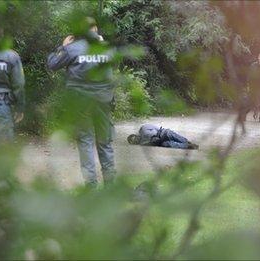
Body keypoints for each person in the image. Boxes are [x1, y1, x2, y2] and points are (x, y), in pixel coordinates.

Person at [46, 21, 116, 188]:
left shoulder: (72, 49)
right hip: (102, 101)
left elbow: (52, 64)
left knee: (85, 141)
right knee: (105, 142)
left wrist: (62, 47)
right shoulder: (106, 48)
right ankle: (111, 186)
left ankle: (91, 186)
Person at [127, 124, 199, 150]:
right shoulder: (142, 143)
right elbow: (155, 142)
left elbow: (156, 130)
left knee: (168, 134)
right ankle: (188, 146)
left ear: (135, 135)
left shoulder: (143, 129)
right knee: (167, 144)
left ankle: (187, 142)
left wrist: (152, 139)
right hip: (161, 141)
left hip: (163, 133)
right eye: (133, 142)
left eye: (134, 138)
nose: (135, 140)